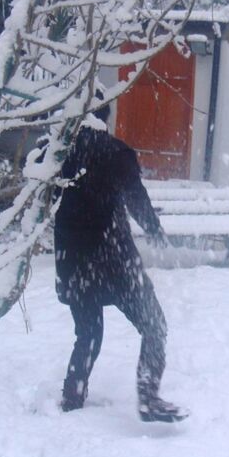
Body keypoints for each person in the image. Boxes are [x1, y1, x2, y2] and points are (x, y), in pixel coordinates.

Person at [54, 101, 188, 422]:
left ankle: (72, 397)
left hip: (74, 263)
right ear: (104, 118)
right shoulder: (116, 154)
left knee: (88, 333)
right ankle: (149, 396)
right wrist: (155, 230)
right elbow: (136, 200)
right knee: (154, 325)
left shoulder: (58, 158)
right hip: (115, 262)